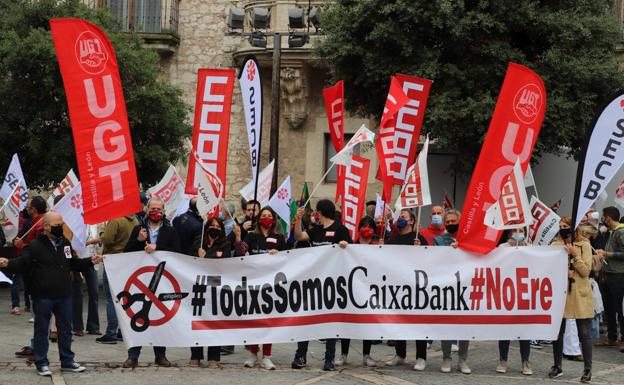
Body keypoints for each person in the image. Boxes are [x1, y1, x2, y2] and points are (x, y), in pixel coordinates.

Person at [0, 211, 103, 376]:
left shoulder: (65, 244)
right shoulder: (34, 246)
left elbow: (72, 263)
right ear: (46, 227)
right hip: (43, 296)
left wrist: (89, 262)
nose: (60, 228)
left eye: (61, 225)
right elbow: (22, 263)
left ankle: (67, 361)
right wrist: (7, 264)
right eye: (57, 225)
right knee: (41, 330)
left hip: (63, 294)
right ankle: (41, 363)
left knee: (65, 330)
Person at [291, 199, 350, 371]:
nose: (314, 214)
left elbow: (351, 249)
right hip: (313, 282)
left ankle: (329, 359)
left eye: (316, 211)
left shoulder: (340, 229)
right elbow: (299, 236)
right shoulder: (316, 229)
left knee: (329, 321)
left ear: (321, 212)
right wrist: (298, 220)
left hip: (332, 283)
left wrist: (344, 245)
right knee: (307, 318)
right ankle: (300, 356)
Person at [122, 197, 180, 368]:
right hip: (141, 279)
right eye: (152, 208)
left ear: (164, 211)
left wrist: (158, 247)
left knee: (158, 319)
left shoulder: (170, 231)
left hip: (162, 281)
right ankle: (133, 355)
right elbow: (127, 252)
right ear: (147, 210)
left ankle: (160, 355)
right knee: (137, 317)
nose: (156, 212)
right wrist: (139, 240)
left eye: (159, 209)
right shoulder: (138, 229)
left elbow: (177, 252)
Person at [235, 207, 285, 370]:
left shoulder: (279, 237)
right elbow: (241, 252)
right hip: (254, 283)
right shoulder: (252, 236)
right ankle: (253, 353)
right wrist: (238, 237)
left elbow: (289, 257)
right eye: (263, 215)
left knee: (268, 320)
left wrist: (279, 252)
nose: (266, 218)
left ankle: (267, 356)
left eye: (270, 216)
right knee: (254, 319)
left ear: (274, 219)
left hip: (272, 285)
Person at [549, 216, 593, 383]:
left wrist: (575, 255)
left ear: (573, 227)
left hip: (579, 294)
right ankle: (557, 366)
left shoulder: (584, 245)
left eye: (565, 225)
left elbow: (586, 271)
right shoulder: (555, 246)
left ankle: (588, 369)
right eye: (560, 226)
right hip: (561, 293)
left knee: (584, 332)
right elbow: (549, 269)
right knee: (557, 332)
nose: (562, 228)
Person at [384, 209, 428, 371]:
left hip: (416, 288)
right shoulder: (392, 239)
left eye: (404, 217)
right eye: (399, 217)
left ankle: (421, 357)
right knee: (398, 321)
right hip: (397, 287)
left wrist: (421, 249)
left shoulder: (418, 239)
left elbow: (430, 260)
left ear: (411, 222)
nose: (400, 219)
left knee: (418, 322)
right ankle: (400, 354)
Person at [189, 217, 234, 368]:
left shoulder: (225, 243)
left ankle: (214, 357)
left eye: (218, 226)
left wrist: (205, 257)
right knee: (197, 321)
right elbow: (186, 262)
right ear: (207, 227)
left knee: (215, 322)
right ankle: (196, 355)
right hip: (199, 286)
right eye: (212, 225)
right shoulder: (198, 242)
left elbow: (225, 263)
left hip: (216, 288)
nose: (215, 228)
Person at [336, 216, 379, 368]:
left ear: (374, 230)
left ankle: (366, 355)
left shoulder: (378, 246)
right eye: (364, 226)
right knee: (348, 321)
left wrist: (383, 249)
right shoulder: (350, 245)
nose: (366, 229)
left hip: (369, 289)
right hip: (351, 288)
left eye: (370, 226)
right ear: (359, 228)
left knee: (368, 322)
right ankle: (344, 354)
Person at [432, 209, 471, 374]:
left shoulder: (469, 239)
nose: (450, 224)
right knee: (446, 324)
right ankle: (446, 358)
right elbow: (433, 260)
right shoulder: (439, 240)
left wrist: (462, 246)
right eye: (447, 222)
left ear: (460, 222)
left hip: (466, 287)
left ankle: (462, 359)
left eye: (453, 221)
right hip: (446, 287)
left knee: (465, 325)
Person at [496, 228, 532, 375]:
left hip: (524, 292)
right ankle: (502, 360)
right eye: (515, 230)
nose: (518, 232)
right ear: (510, 233)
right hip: (506, 292)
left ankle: (526, 361)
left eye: (521, 230)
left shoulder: (530, 248)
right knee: (505, 328)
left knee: (524, 329)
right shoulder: (502, 248)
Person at [595, 206, 624, 349]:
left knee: (620, 308)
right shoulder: (611, 232)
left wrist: (607, 254)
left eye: (603, 216)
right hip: (607, 275)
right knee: (609, 308)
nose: (602, 218)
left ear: (609, 217)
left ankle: (622, 339)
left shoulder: (621, 232)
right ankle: (612, 337)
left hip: (618, 276)